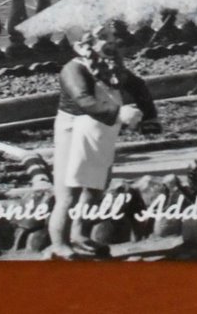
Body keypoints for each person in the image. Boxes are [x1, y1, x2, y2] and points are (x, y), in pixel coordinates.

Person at [47, 23, 159, 259]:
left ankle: (81, 235)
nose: (110, 41)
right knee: (69, 192)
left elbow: (138, 86)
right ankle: (59, 243)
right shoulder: (73, 69)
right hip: (75, 130)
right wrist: (118, 113)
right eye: (101, 37)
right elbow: (84, 100)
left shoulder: (110, 67)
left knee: (96, 188)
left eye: (111, 36)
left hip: (102, 130)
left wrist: (149, 116)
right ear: (80, 45)